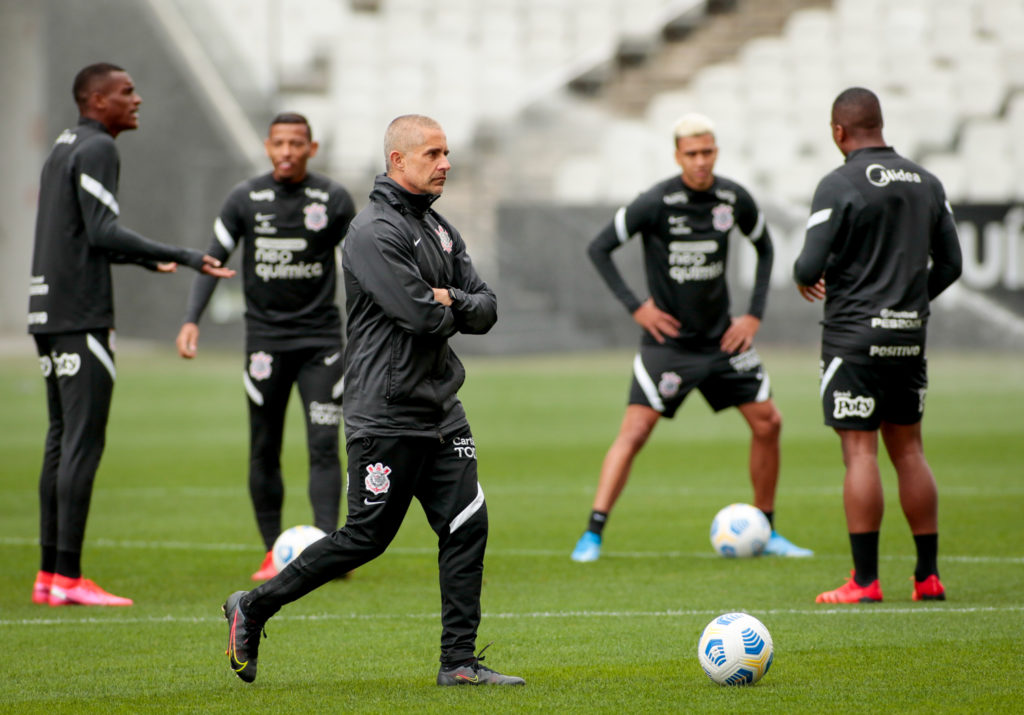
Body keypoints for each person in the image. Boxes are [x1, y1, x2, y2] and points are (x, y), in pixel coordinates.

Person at [221, 114, 524, 686]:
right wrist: (449, 302)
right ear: (399, 162)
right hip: (385, 411)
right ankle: (252, 607)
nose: (446, 163)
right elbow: (419, 314)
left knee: (467, 524)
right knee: (365, 538)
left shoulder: (438, 229)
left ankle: (458, 663)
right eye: (433, 153)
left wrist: (449, 296)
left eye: (447, 152)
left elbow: (486, 308)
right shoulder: (372, 232)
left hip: (440, 408)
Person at [28, 62, 235, 607]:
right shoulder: (99, 147)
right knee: (82, 443)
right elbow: (102, 230)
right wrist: (183, 255)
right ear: (97, 101)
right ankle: (70, 579)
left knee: (60, 441)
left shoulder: (63, 144)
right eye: (126, 92)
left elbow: (80, 236)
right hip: (82, 315)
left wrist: (144, 264)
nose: (136, 99)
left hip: (48, 311)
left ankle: (50, 577)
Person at [571, 112, 812, 563]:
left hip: (724, 342)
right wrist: (637, 307)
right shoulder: (656, 201)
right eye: (692, 153)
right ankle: (593, 534)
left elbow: (765, 247)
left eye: (707, 152)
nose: (701, 161)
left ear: (716, 151)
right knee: (635, 431)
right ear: (678, 155)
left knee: (769, 422)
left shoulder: (733, 198)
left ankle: (767, 528)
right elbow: (598, 247)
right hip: (669, 346)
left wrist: (753, 316)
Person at [794, 87, 962, 603]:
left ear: (838, 132)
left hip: (854, 338)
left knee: (860, 451)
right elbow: (952, 265)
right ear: (880, 124)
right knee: (910, 450)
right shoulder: (926, 182)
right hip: (908, 338)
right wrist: (909, 304)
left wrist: (810, 278)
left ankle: (864, 581)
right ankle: (927, 576)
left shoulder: (838, 182)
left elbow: (806, 267)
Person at [176, 113, 356, 580]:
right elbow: (213, 259)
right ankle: (270, 551)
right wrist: (191, 319)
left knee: (322, 445)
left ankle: (327, 554)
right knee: (264, 447)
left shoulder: (333, 199)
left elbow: (361, 263)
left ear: (311, 148)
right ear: (267, 145)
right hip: (265, 344)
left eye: (297, 143)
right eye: (279, 143)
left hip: (321, 343)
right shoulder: (244, 198)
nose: (288, 152)